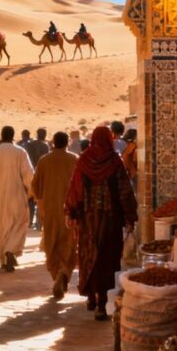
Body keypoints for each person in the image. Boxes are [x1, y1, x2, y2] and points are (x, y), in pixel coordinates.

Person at [66, 126, 137, 320]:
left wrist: (72, 212)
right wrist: (130, 216)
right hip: (110, 219)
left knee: (89, 255)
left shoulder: (84, 160)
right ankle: (101, 303)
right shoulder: (114, 160)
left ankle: (91, 297)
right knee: (105, 259)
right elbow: (124, 191)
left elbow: (75, 189)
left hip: (87, 219)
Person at [0, 126, 35, 272]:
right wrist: (33, 191)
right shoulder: (20, 152)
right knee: (19, 223)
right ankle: (10, 250)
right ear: (13, 136)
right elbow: (28, 174)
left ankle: (3, 258)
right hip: (16, 195)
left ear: (2, 136)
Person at [30, 131, 78, 300]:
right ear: (67, 143)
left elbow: (35, 187)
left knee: (52, 241)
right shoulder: (74, 159)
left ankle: (57, 272)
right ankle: (65, 270)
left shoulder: (44, 161)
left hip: (50, 210)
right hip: (71, 210)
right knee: (69, 242)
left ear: (53, 143)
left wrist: (41, 202)